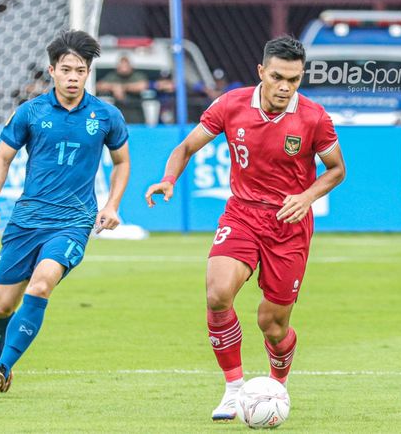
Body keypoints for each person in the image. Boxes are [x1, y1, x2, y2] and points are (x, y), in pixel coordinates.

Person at [144, 36, 345, 421]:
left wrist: (306, 196)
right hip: (242, 214)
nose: (286, 87)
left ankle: (276, 385)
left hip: (289, 225)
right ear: (261, 73)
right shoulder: (231, 105)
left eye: (294, 79)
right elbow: (185, 148)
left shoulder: (314, 117)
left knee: (272, 325)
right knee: (218, 293)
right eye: (278, 77)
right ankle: (234, 390)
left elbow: (336, 169)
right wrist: (169, 179)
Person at [0, 30, 131, 396]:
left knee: (43, 282)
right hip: (27, 220)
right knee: (0, 308)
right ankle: (0, 361)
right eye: (67, 70)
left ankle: (3, 366)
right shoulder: (30, 112)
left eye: (80, 70)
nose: (73, 77)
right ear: (52, 71)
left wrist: (111, 204)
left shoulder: (106, 115)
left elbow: (121, 162)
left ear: (88, 73)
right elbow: (2, 158)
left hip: (74, 221)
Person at [96, 55, 148, 123]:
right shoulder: (113, 76)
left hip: (135, 111)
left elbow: (143, 85)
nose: (124, 68)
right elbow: (99, 86)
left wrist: (123, 88)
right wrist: (113, 87)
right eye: (122, 66)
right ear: (118, 67)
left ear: (130, 66)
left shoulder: (137, 75)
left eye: (126, 66)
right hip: (119, 111)